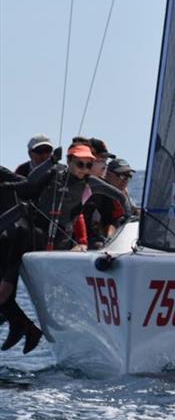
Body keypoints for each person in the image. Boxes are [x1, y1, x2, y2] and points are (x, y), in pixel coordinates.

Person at [0, 144, 95, 353]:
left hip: (34, 236)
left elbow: (26, 186)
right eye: (38, 152)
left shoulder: (78, 179)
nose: (84, 167)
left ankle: (20, 321)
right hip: (17, 233)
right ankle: (21, 326)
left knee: (4, 289)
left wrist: (82, 241)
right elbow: (26, 183)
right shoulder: (35, 170)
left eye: (88, 164)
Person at [83, 158, 135, 249]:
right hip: (99, 242)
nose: (125, 180)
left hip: (124, 239)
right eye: (121, 175)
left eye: (128, 176)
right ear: (108, 174)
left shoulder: (125, 197)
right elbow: (100, 222)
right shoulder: (97, 195)